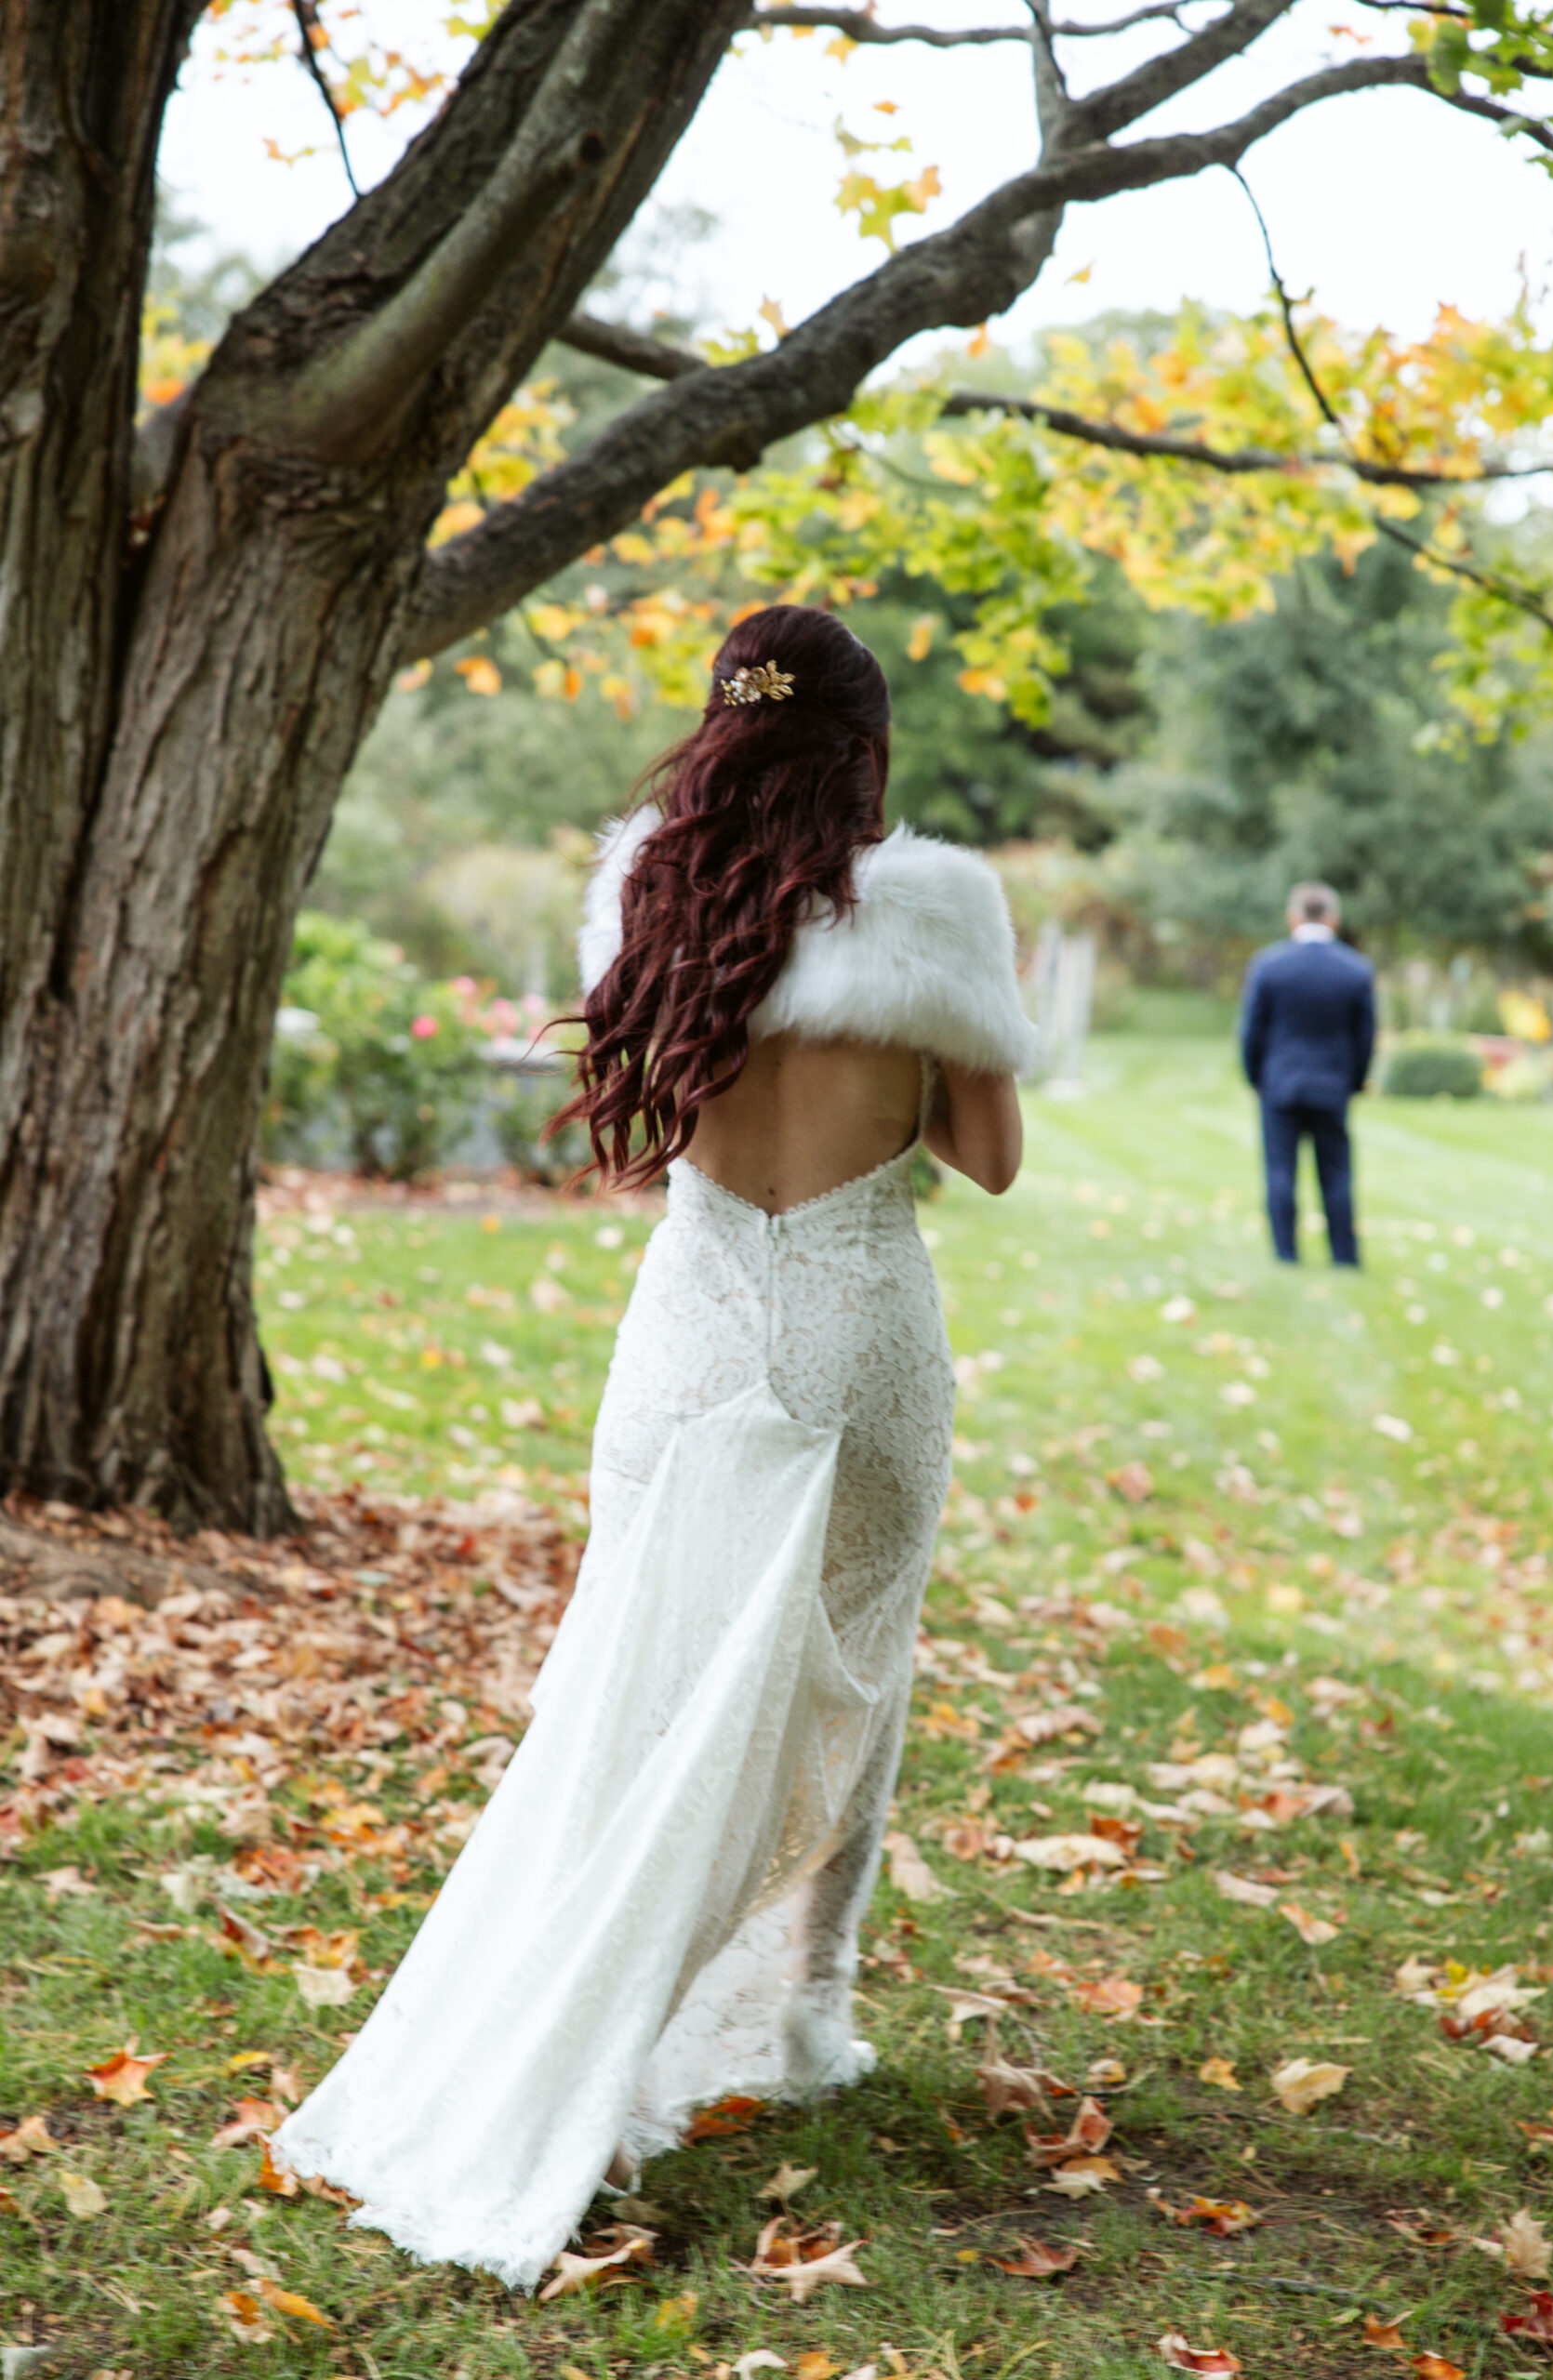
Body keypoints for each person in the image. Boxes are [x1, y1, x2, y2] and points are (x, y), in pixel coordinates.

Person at [273, 604, 1035, 2287]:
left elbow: (653, 1136)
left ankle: (588, 2022)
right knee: (844, 1672)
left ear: (721, 729)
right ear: (864, 747)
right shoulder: (933, 908)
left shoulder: (649, 894)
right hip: (855, 1336)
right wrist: (966, 1019)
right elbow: (989, 1160)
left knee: (634, 1684)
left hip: (683, 1335)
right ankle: (798, 2015)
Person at [1240, 880, 1375, 1266]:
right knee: (1336, 1172)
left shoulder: (1269, 965)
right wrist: (1354, 1081)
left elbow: (1252, 1030)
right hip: (1332, 1084)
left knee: (1280, 1170)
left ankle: (1285, 1252)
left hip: (1279, 1083)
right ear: (1333, 919)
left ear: (1293, 917)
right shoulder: (1355, 969)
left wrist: (1256, 1076)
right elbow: (1365, 1036)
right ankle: (1343, 1255)